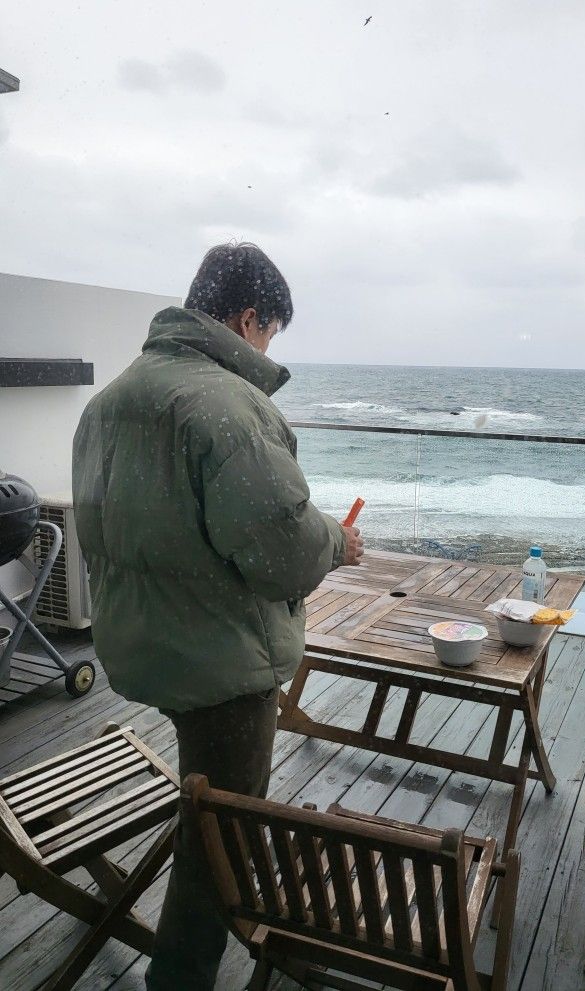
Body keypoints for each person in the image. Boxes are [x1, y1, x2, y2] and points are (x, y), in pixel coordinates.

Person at [71, 242, 364, 990]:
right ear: (246, 319)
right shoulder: (230, 407)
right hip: (220, 667)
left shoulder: (109, 400)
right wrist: (337, 538)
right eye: (268, 332)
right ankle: (180, 978)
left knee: (205, 804)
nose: (265, 347)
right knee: (219, 844)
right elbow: (284, 554)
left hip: (142, 647)